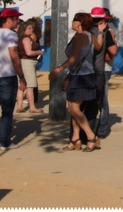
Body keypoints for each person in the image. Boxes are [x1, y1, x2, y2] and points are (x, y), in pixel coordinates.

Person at [48, 12, 100, 152]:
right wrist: (100, 33)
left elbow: (73, 58)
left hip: (79, 76)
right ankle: (75, 139)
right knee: (74, 108)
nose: (72, 22)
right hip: (88, 75)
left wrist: (58, 69)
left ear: (80, 22)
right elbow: (98, 48)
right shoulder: (90, 36)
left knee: (73, 109)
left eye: (74, 20)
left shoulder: (80, 37)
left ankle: (91, 137)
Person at [0, 8, 27, 151]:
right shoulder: (10, 35)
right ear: (8, 20)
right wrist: (21, 76)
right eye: (16, 19)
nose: (18, 21)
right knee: (7, 110)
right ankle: (5, 141)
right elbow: (14, 56)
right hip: (7, 76)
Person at [95, 7, 118, 139]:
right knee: (99, 100)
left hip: (104, 68)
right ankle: (99, 127)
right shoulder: (101, 32)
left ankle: (102, 128)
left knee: (102, 100)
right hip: (100, 68)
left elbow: (113, 51)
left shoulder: (108, 33)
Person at [15, 18, 44, 114]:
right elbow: (29, 52)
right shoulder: (26, 39)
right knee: (30, 86)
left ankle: (20, 106)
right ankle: (32, 107)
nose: (31, 30)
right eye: (29, 28)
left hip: (23, 62)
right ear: (24, 29)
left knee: (21, 86)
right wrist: (39, 52)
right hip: (28, 63)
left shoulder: (21, 38)